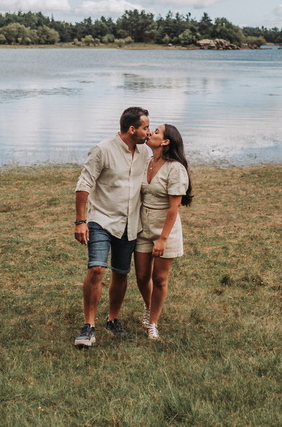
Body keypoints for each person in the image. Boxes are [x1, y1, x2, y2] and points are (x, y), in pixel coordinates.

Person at [72, 106, 151, 349]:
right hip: (101, 220)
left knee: (120, 272)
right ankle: (89, 326)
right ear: (131, 129)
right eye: (145, 128)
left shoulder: (145, 152)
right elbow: (84, 184)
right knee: (96, 269)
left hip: (130, 223)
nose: (148, 132)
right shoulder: (102, 150)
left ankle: (113, 319)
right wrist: (80, 221)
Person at [133, 123, 193, 340]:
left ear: (166, 142)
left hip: (165, 229)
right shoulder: (146, 161)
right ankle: (149, 306)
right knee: (141, 276)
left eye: (156, 132)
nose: (150, 133)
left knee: (159, 278)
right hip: (143, 227)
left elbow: (174, 208)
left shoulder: (175, 168)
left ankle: (153, 322)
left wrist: (162, 239)